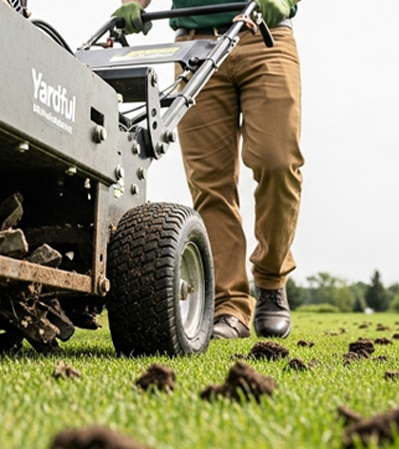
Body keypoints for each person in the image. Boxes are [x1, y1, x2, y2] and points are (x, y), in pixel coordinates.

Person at [112, 0, 303, 339]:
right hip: (194, 48)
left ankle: (272, 279)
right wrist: (131, 4)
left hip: (265, 36)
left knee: (278, 162)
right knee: (210, 184)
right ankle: (229, 306)